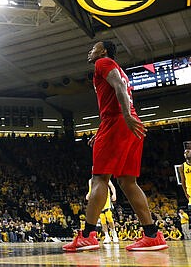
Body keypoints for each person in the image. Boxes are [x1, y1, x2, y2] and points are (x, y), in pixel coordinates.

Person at [63, 41, 168, 252]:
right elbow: (114, 97)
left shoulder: (103, 62)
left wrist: (125, 116)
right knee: (128, 182)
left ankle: (88, 236)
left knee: (100, 178)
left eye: (94, 47)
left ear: (103, 51)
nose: (90, 50)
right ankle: (151, 235)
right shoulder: (115, 68)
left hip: (120, 121)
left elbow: (119, 87)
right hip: (126, 123)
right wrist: (104, 128)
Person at [86, 177, 118, 243]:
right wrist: (88, 195)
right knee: (102, 219)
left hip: (106, 198)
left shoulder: (105, 177)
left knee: (109, 217)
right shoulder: (90, 180)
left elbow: (112, 187)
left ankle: (114, 234)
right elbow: (91, 190)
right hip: (97, 200)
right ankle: (107, 236)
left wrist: (114, 194)